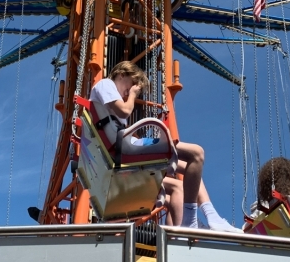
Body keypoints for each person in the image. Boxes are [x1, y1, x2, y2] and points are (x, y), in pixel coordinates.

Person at [89, 61, 207, 229]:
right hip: (124, 147)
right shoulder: (105, 84)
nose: (130, 90)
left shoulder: (107, 100)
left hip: (124, 145)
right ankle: (196, 218)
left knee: (182, 182)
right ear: (121, 74)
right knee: (195, 153)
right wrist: (132, 95)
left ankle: (181, 228)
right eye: (132, 84)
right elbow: (125, 110)